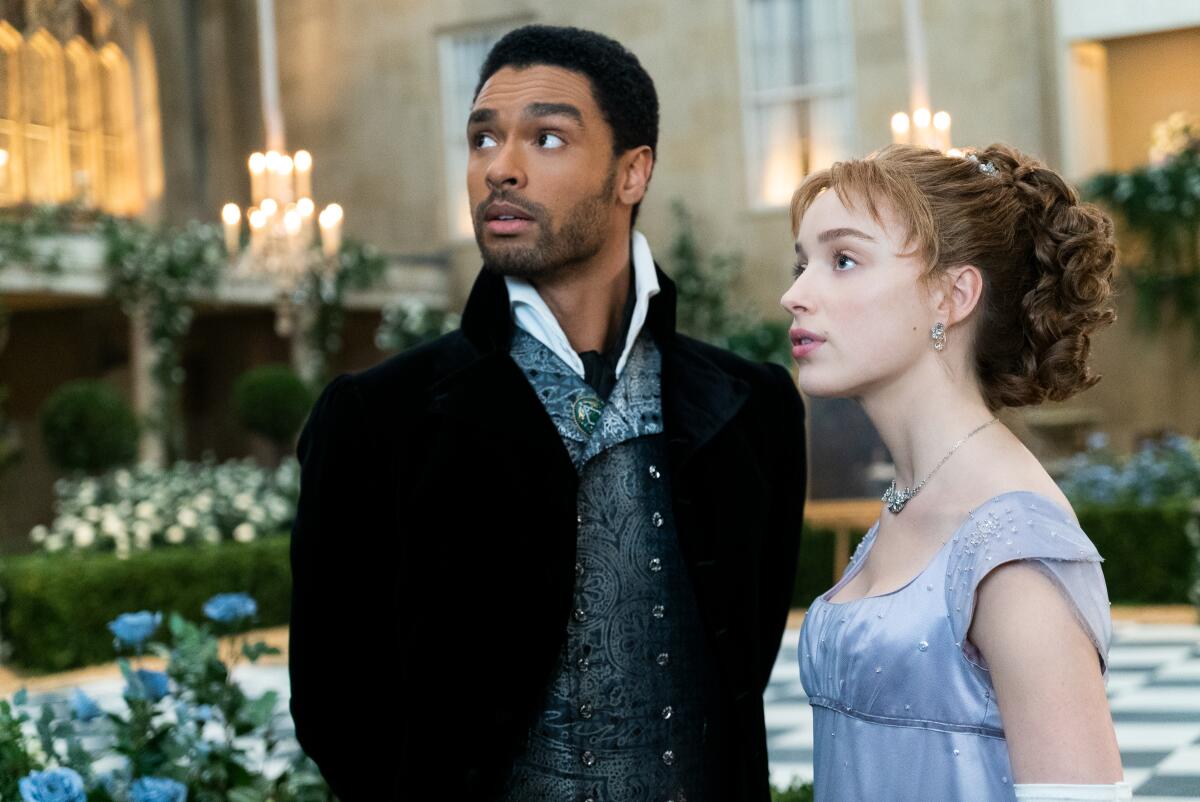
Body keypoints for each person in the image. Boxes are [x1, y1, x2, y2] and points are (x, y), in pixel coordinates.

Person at [288, 24, 807, 801]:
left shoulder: (751, 409)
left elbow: (746, 660)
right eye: (483, 137)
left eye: (548, 137)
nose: (500, 166)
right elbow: (337, 708)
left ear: (633, 173)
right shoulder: (378, 419)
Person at [781, 144, 1129, 802]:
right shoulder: (908, 499)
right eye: (803, 264)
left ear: (953, 294)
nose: (795, 295)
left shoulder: (1013, 544)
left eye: (843, 260)